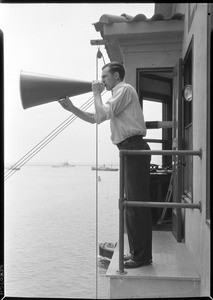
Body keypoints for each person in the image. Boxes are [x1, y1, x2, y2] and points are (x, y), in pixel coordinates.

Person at [59, 62, 152, 268]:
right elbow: (95, 119)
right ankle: (137, 253)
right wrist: (72, 108)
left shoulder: (124, 89)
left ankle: (142, 257)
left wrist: (96, 94)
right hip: (128, 150)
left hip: (134, 149)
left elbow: (100, 114)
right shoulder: (116, 94)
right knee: (131, 206)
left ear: (116, 76)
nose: (101, 81)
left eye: (104, 77)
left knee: (136, 206)